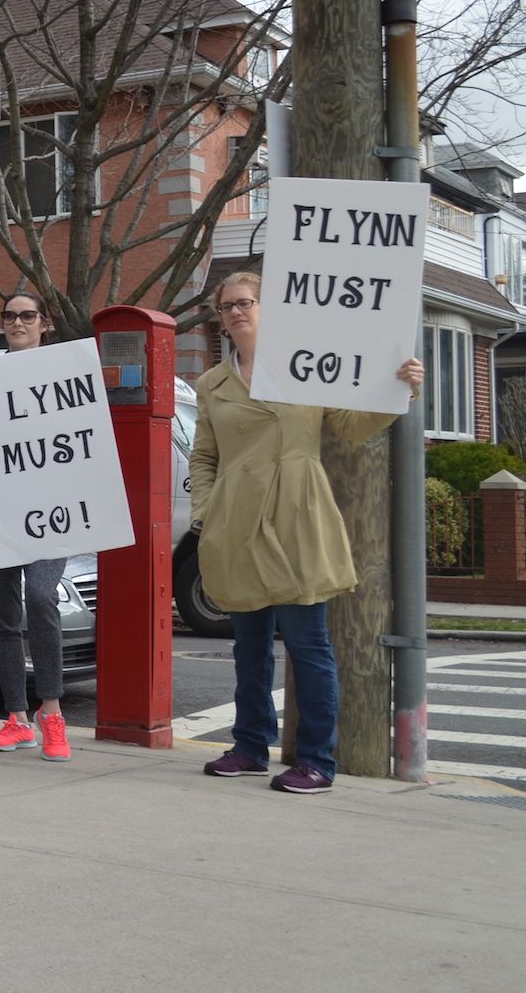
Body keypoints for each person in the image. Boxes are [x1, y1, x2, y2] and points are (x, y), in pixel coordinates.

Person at [190, 271, 423, 793]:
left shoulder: (304, 366)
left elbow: (349, 425)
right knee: (248, 646)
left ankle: (318, 760)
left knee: (307, 643)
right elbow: (204, 454)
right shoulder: (212, 384)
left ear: (268, 307)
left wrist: (398, 389)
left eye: (246, 302)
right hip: (237, 520)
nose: (235, 312)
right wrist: (206, 511)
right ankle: (250, 746)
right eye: (226, 306)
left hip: (299, 513)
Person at [0, 291, 75, 760]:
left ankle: (52, 713)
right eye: (8, 316)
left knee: (44, 599)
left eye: (27, 315)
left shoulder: (66, 372)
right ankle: (16, 719)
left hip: (51, 509)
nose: (17, 322)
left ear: (44, 323)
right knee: (3, 617)